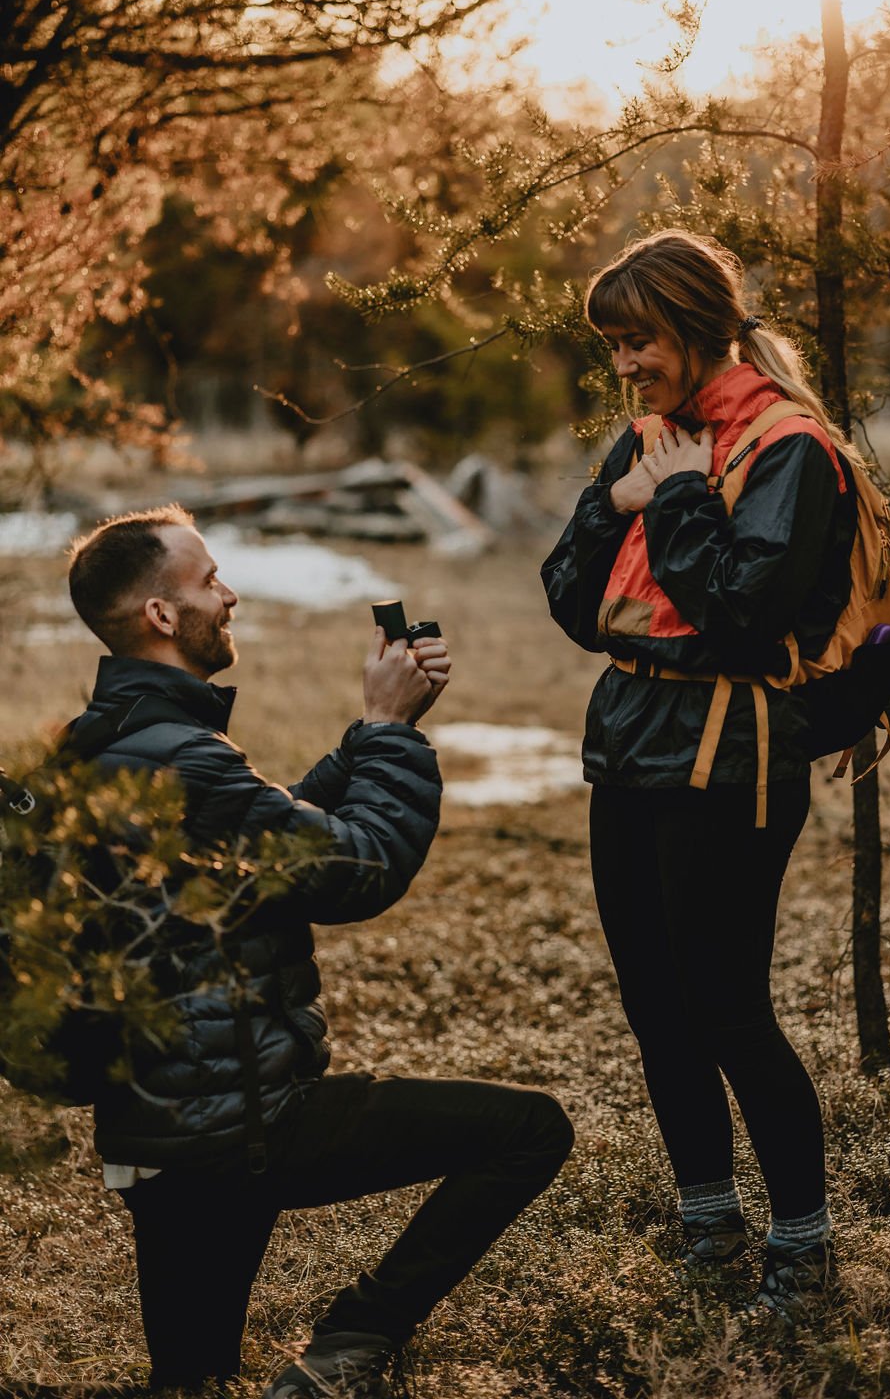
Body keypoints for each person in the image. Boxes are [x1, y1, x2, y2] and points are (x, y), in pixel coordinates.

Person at [64, 505, 574, 1398]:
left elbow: (257, 837)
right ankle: (354, 1341)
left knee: (191, 1381)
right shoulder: (182, 760)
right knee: (530, 1132)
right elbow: (356, 869)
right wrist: (390, 730)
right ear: (161, 615)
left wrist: (364, 741)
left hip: (155, 1138)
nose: (230, 595)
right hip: (242, 1130)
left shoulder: (107, 741)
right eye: (209, 581)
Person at [541, 230, 860, 1318]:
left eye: (640, 341)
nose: (625, 365)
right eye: (613, 346)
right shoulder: (650, 439)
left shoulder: (787, 446)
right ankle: (708, 1223)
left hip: (734, 750)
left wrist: (676, 501)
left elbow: (738, 613)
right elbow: (571, 600)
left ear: (696, 326)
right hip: (628, 736)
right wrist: (618, 502)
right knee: (653, 1003)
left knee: (725, 1005)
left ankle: (802, 1248)